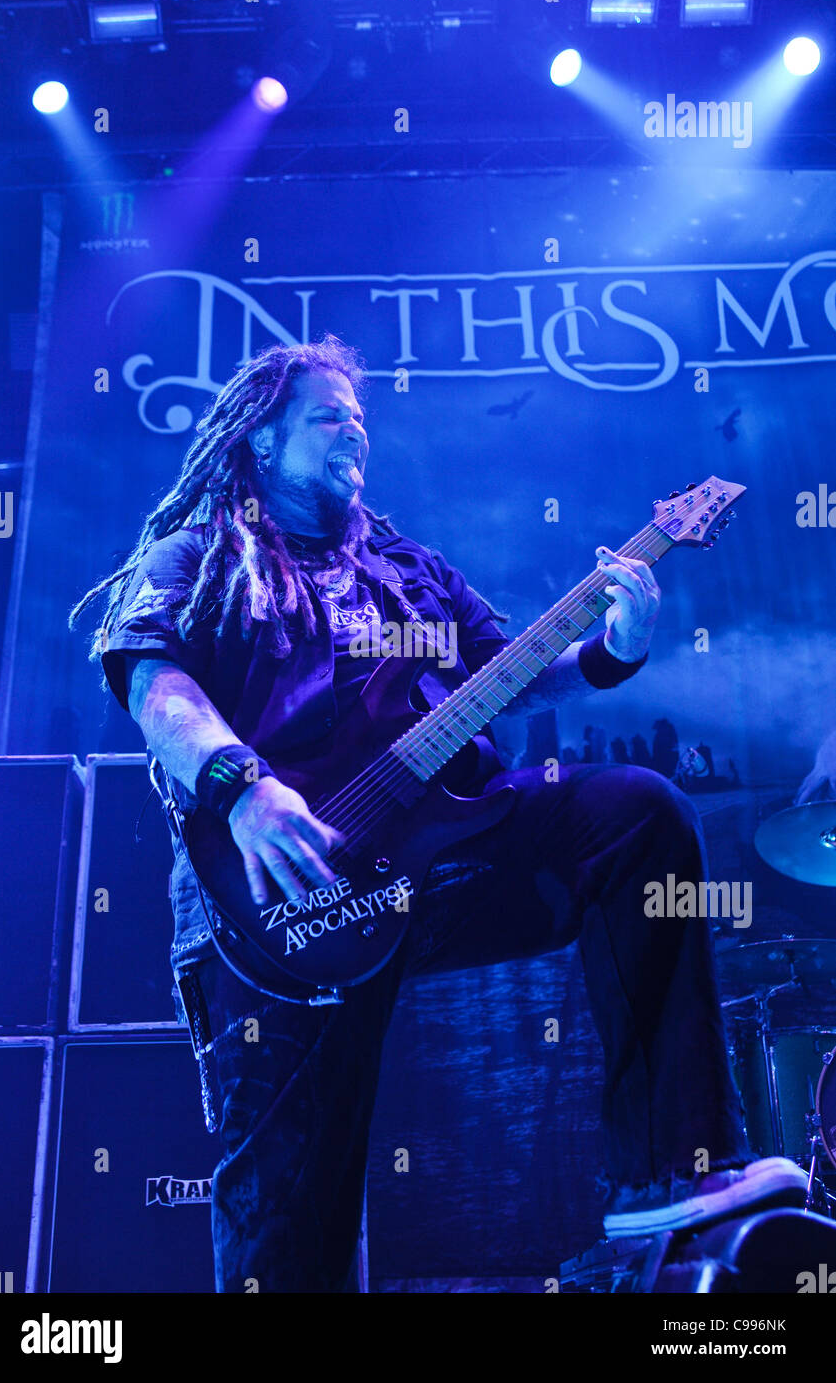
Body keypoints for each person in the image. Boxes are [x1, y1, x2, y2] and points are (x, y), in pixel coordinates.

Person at [70, 335, 806, 1293]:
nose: (354, 430)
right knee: (290, 1229)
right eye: (328, 415)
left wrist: (613, 650)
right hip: (271, 903)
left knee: (637, 813)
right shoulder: (203, 555)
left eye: (360, 417)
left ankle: (671, 1165)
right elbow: (151, 677)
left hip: (433, 862)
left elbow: (511, 677)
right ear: (258, 440)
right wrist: (241, 785)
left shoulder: (408, 566)